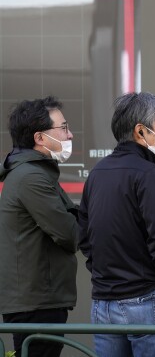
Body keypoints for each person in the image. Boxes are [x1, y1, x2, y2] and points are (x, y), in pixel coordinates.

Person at [78, 92, 155, 357]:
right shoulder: (150, 174)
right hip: (147, 300)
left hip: (103, 303)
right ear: (140, 131)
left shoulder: (97, 173)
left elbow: (86, 237)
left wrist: (104, 274)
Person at [0, 96, 78, 357]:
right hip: (36, 304)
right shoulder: (31, 177)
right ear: (40, 138)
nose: (70, 135)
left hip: (36, 300)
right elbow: (68, 233)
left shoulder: (33, 172)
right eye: (63, 128)